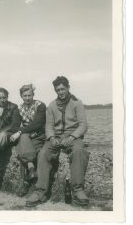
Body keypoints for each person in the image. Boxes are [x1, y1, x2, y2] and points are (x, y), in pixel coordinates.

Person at [26, 76, 89, 207]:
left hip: (73, 137)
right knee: (43, 153)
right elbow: (48, 126)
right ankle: (40, 191)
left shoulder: (77, 103)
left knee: (79, 151)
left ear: (68, 88)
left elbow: (83, 125)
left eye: (62, 89)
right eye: (57, 90)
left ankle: (78, 190)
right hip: (56, 137)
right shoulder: (52, 105)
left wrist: (72, 137)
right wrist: (52, 138)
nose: (60, 92)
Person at [10, 84, 46, 189]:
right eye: (24, 96)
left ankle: (25, 182)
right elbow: (14, 127)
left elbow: (37, 124)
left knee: (23, 149)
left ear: (33, 95)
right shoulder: (19, 108)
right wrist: (22, 132)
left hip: (39, 135)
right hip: (27, 135)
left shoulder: (40, 105)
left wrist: (20, 132)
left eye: (29, 95)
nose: (27, 98)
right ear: (21, 96)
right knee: (24, 141)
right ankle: (30, 172)